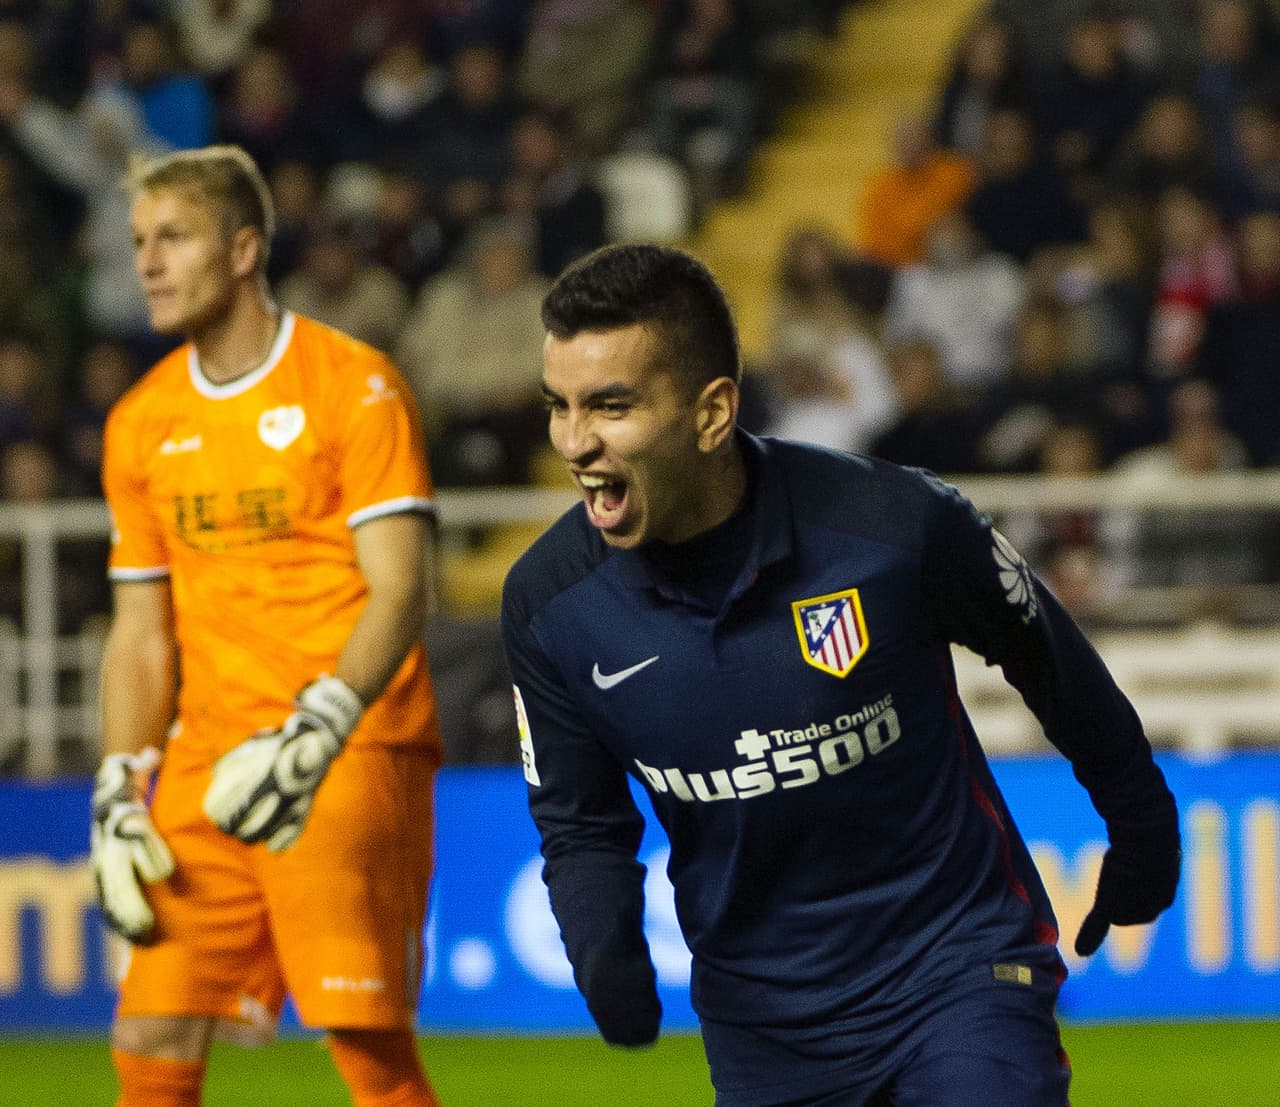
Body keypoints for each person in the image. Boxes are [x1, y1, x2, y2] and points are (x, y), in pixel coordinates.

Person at [500, 244, 1181, 1106]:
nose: (575, 441)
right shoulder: (550, 604)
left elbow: (1049, 660)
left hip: (958, 967)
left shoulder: (892, 523)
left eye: (611, 406)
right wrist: (604, 952)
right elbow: (580, 823)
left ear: (712, 414)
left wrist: (1142, 822)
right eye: (558, 406)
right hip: (762, 1027)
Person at [91, 145, 444, 1107]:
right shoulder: (140, 421)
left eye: (173, 238)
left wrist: (321, 723)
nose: (148, 263)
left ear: (244, 249)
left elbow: (401, 588)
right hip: (203, 764)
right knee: (148, 1025)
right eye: (138, 242)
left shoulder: (353, 385)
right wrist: (120, 780)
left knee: (365, 1040)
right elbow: (139, 635)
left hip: (345, 744)